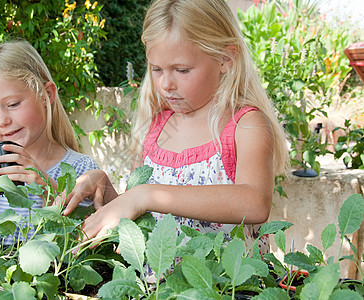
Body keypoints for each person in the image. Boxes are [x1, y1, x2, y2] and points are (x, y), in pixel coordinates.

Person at [64, 0, 289, 256]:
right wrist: (107, 191)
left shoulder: (245, 125)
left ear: (225, 59)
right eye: (156, 69)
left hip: (227, 289)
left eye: (182, 70)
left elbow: (255, 202)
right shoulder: (156, 128)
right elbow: (143, 219)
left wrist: (145, 195)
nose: (166, 83)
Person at [0, 40, 99, 257]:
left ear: (48, 94)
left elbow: (85, 252)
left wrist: (48, 188)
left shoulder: (80, 169)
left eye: (13, 104)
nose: (2, 121)